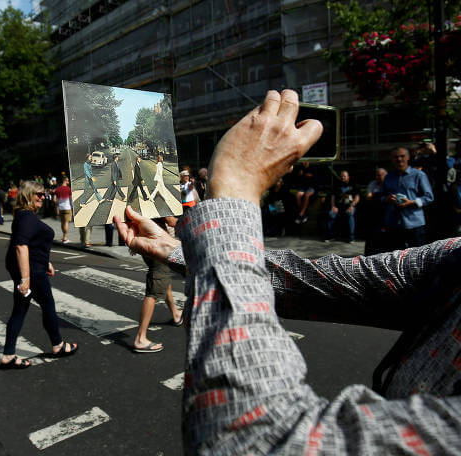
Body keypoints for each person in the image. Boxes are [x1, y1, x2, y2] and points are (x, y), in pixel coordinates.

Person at [116, 89, 461, 454]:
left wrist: (235, 185)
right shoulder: (454, 259)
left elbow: (251, 438)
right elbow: (314, 281)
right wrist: (179, 249)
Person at [1, 181, 78, 369]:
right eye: (39, 194)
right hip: (32, 273)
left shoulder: (22, 215)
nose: (43, 198)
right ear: (28, 195)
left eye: (44, 194)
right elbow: (20, 246)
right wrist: (26, 279)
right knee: (47, 306)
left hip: (34, 268)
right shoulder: (26, 217)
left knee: (19, 311)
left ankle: (8, 355)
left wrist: (46, 262)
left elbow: (33, 244)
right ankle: (58, 345)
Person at [132, 217, 183, 353]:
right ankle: (140, 338)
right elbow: (171, 221)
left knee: (163, 279)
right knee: (154, 289)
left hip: (147, 241)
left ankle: (176, 314)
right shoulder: (158, 198)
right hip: (158, 244)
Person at [382, 147, 433, 250]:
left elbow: (429, 197)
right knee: (396, 257)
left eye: (402, 156)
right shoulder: (388, 177)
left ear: (408, 157)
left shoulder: (418, 175)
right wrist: (387, 199)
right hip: (394, 223)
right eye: (396, 157)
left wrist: (411, 202)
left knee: (418, 256)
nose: (399, 159)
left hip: (414, 223)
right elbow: (382, 196)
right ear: (392, 159)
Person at [325, 170, 359, 243]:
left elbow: (357, 197)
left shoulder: (353, 184)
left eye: (344, 176)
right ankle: (330, 236)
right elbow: (333, 197)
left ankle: (351, 237)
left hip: (350, 206)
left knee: (350, 214)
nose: (343, 177)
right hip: (338, 206)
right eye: (341, 176)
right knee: (331, 214)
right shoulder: (337, 184)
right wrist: (333, 206)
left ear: (348, 177)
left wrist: (352, 206)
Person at [364, 167, 388, 255]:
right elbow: (368, 196)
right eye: (377, 175)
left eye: (381, 175)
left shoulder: (388, 184)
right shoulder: (373, 184)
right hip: (374, 211)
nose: (378, 177)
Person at [53, 177, 73, 243]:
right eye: (68, 181)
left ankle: (63, 237)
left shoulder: (57, 189)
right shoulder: (69, 189)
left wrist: (57, 207)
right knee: (66, 222)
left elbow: (54, 200)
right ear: (65, 181)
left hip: (61, 208)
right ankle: (65, 237)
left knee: (62, 222)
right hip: (67, 208)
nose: (68, 182)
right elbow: (71, 200)